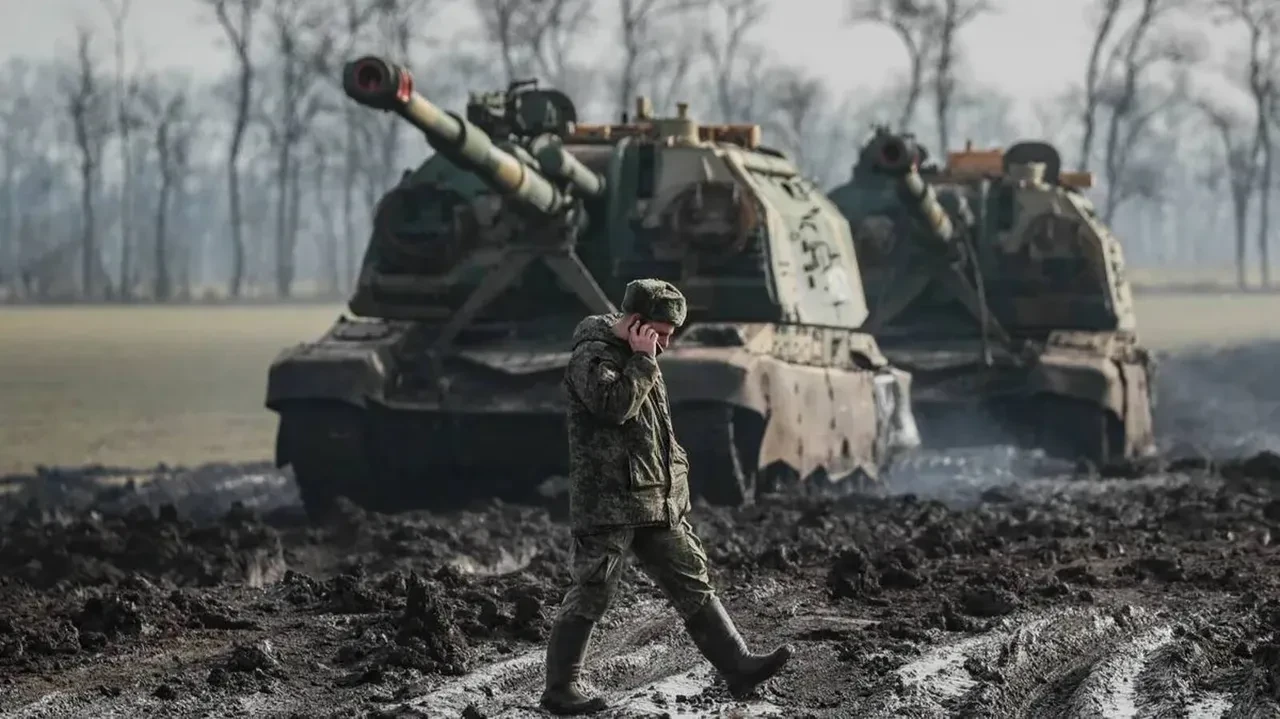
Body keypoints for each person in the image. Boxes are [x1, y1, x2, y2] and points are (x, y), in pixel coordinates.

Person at [540, 278, 792, 715]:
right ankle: (560, 689)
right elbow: (612, 407)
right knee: (594, 589)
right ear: (636, 323)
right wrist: (640, 361)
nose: (668, 341)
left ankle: (736, 665)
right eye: (661, 331)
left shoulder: (643, 355)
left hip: (654, 499)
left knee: (690, 577)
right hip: (611, 502)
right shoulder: (593, 355)